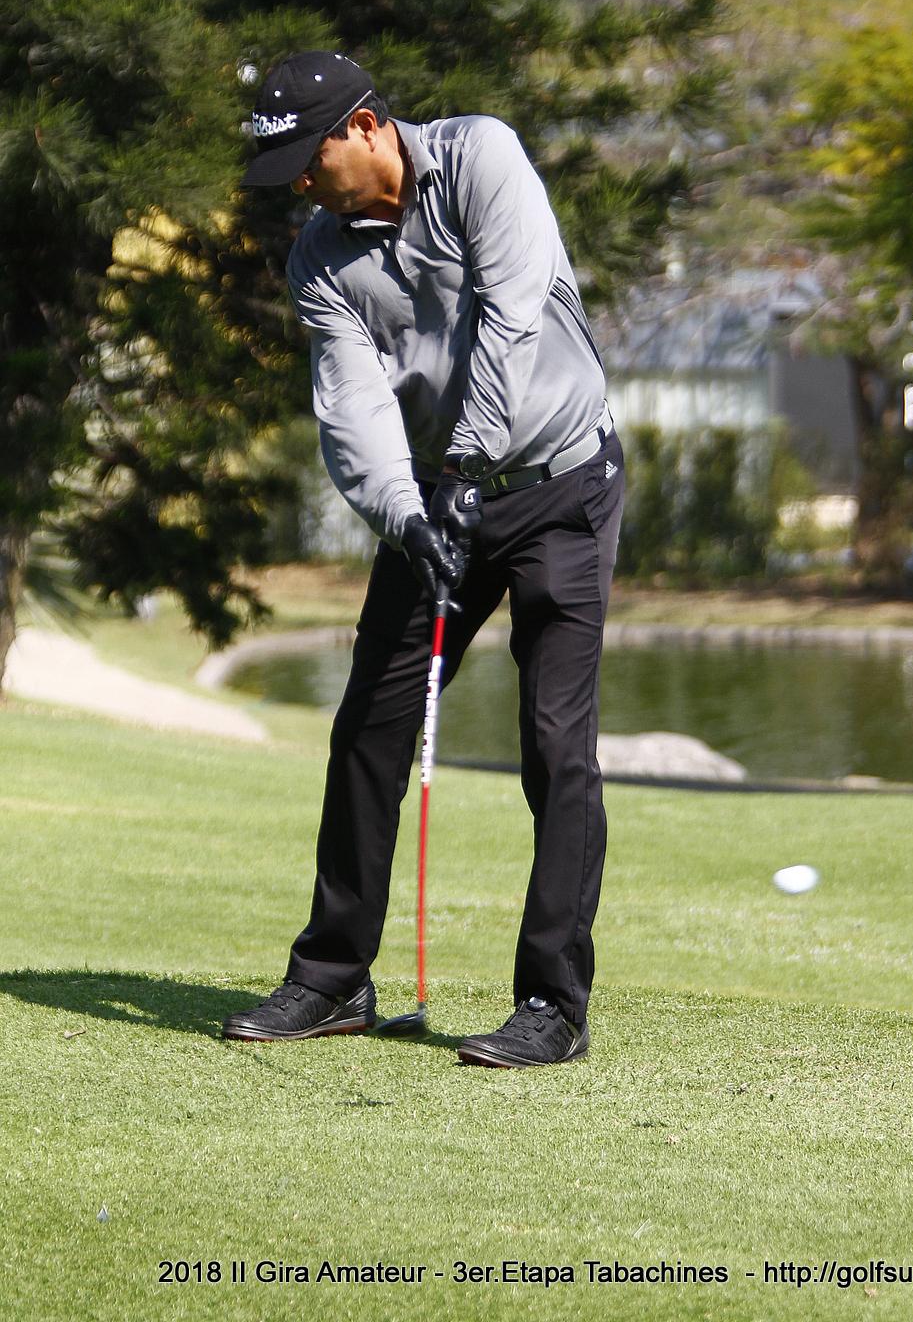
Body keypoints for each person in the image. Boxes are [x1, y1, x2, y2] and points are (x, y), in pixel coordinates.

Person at [223, 52, 624, 1067]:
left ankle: (553, 1004)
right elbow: (352, 406)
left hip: (561, 488)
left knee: (554, 742)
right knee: (369, 727)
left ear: (363, 127)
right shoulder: (319, 260)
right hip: (438, 506)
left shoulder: (481, 157)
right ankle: (332, 978)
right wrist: (405, 515)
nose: (299, 187)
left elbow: (512, 319)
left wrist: (465, 467)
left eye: (306, 162)